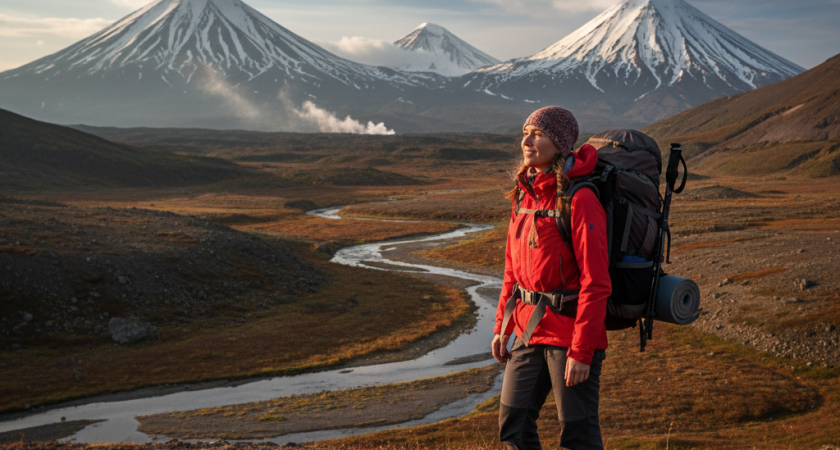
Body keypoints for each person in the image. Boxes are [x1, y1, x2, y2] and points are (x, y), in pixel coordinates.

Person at [492, 106, 611, 450]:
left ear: (559, 143)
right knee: (513, 426)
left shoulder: (581, 199)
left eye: (538, 134)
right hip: (529, 329)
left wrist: (582, 351)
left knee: (578, 436)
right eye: (525, 132)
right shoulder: (523, 195)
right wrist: (503, 326)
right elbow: (512, 271)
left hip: (570, 334)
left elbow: (596, 281)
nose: (527, 141)